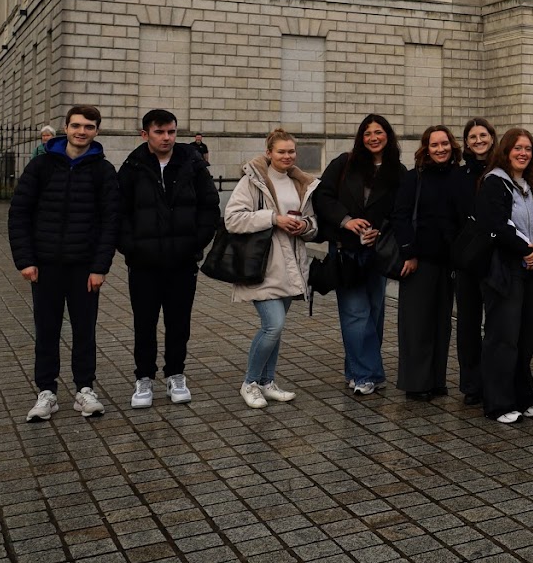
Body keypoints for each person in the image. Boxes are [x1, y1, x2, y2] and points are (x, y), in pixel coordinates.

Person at [14, 105, 119, 423]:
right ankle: (46, 392)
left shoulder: (103, 170)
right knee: (46, 330)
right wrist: (25, 260)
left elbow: (110, 221)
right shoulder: (41, 166)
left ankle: (85, 389)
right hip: (45, 266)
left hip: (84, 267)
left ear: (97, 131)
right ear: (65, 127)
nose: (81, 131)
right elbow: (19, 212)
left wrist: (100, 266)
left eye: (88, 126)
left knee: (84, 331)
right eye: (76, 125)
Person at [118, 109, 220, 409]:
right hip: (144, 263)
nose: (167, 138)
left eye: (171, 132)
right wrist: (131, 248)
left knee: (179, 323)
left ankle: (176, 374)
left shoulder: (192, 163)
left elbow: (209, 207)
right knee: (144, 323)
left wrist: (193, 244)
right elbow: (119, 212)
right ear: (145, 134)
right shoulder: (133, 166)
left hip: (182, 261)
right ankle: (144, 378)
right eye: (160, 132)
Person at [227, 128, 319, 409]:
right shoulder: (252, 181)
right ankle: (250, 382)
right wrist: (273, 219)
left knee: (275, 330)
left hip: (292, 266)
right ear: (269, 153)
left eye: (291, 151)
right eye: (281, 151)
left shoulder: (301, 182)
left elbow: (313, 223)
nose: (287, 156)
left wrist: (304, 226)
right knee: (273, 326)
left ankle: (267, 382)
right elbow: (232, 219)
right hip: (263, 265)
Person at [314, 114, 406, 395]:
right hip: (347, 251)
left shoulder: (398, 171)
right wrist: (347, 221)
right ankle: (366, 374)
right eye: (367, 133)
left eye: (378, 132)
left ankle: (358, 370)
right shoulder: (345, 163)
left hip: (377, 253)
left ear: (388, 136)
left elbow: (400, 211)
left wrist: (379, 230)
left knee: (374, 314)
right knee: (356, 313)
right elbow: (323, 197)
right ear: (360, 138)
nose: (373, 138)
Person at [477, 127, 533, 423]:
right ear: (505, 151)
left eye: (528, 149)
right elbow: (497, 224)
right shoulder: (494, 182)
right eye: (517, 148)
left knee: (525, 337)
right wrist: (525, 249)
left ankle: (523, 396)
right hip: (505, 270)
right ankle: (498, 402)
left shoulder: (532, 184)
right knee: (502, 337)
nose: (523, 153)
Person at [391, 125, 463, 400]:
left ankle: (436, 379)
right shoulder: (415, 178)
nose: (440, 149)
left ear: (452, 146)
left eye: (444, 144)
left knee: (442, 323)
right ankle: (416, 383)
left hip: (449, 262)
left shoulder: (459, 176)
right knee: (416, 324)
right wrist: (408, 252)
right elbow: (400, 215)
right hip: (419, 262)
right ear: (426, 148)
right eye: (434, 145)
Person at [454, 117, 496, 406]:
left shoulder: (502, 171)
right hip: (467, 259)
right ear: (466, 142)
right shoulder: (460, 175)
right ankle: (471, 383)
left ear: (492, 138)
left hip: (495, 257)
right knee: (468, 323)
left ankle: (494, 380)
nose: (478, 140)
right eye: (473, 137)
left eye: (483, 135)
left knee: (496, 324)